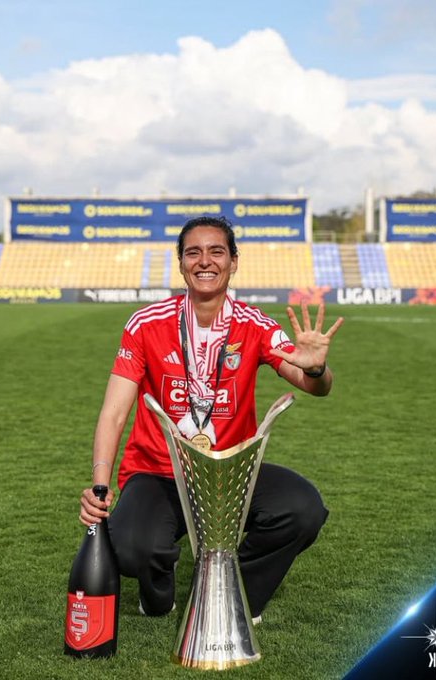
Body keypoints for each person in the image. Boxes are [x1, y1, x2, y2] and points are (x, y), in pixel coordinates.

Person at [79, 215, 343, 621]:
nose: (205, 261)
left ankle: (239, 593)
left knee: (301, 508)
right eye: (193, 252)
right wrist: (99, 486)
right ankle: (157, 593)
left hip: (229, 473)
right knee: (132, 547)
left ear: (233, 261)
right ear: (181, 263)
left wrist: (315, 367)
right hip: (159, 472)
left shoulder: (255, 325)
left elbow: (316, 386)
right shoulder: (146, 324)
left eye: (217, 251)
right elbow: (114, 413)